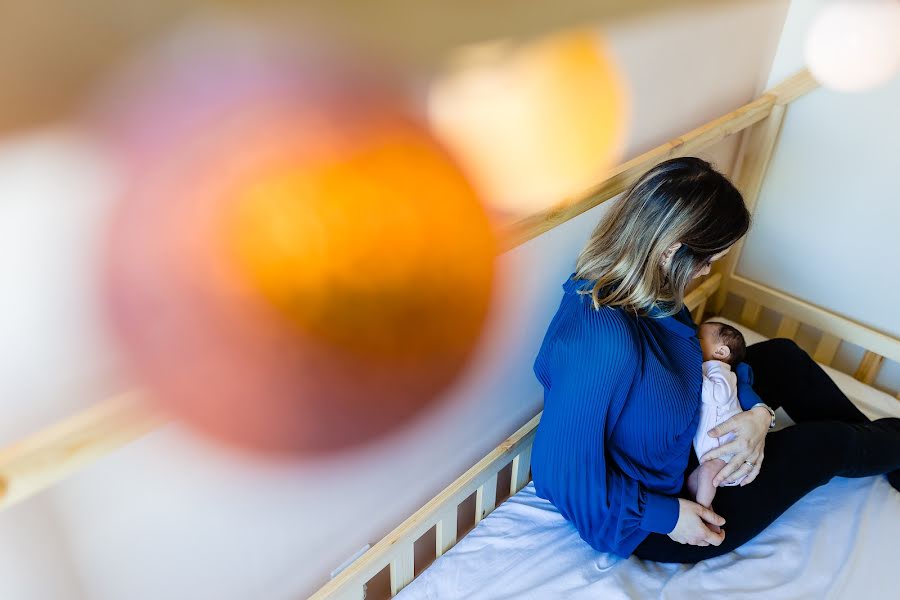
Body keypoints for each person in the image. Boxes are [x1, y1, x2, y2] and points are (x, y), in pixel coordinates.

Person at [530, 156, 900, 562]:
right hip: (663, 510)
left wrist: (759, 415)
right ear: (671, 251)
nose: (706, 272)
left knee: (782, 356)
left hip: (685, 429)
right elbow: (557, 476)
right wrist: (670, 516)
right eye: (706, 260)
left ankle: (890, 456)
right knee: (828, 444)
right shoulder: (604, 342)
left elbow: (694, 362)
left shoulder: (652, 294)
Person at [687, 321, 751, 510]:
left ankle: (704, 510)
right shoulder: (710, 369)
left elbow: (719, 395)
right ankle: (704, 505)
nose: (693, 341)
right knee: (693, 481)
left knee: (706, 472)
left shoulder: (722, 372)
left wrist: (693, 374)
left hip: (728, 452)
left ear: (721, 352)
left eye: (698, 339)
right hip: (714, 452)